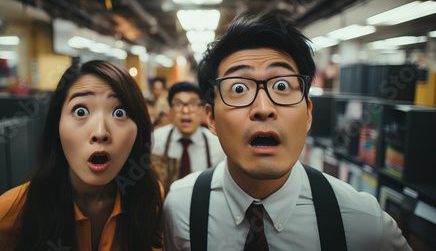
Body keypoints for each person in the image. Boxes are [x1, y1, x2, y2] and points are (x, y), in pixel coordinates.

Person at [163, 13, 411, 250]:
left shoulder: (364, 222)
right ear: (212, 119)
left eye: (282, 85)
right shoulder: (181, 207)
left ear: (308, 114)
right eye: (239, 89)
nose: (263, 108)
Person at [0, 60, 163, 251]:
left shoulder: (148, 198)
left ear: (139, 131)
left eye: (119, 113)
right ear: (57, 126)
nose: (100, 132)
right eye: (81, 111)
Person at [151, 82, 224, 194]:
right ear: (170, 110)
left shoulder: (218, 145)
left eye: (193, 104)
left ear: (203, 110)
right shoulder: (156, 140)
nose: (186, 111)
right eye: (178, 104)